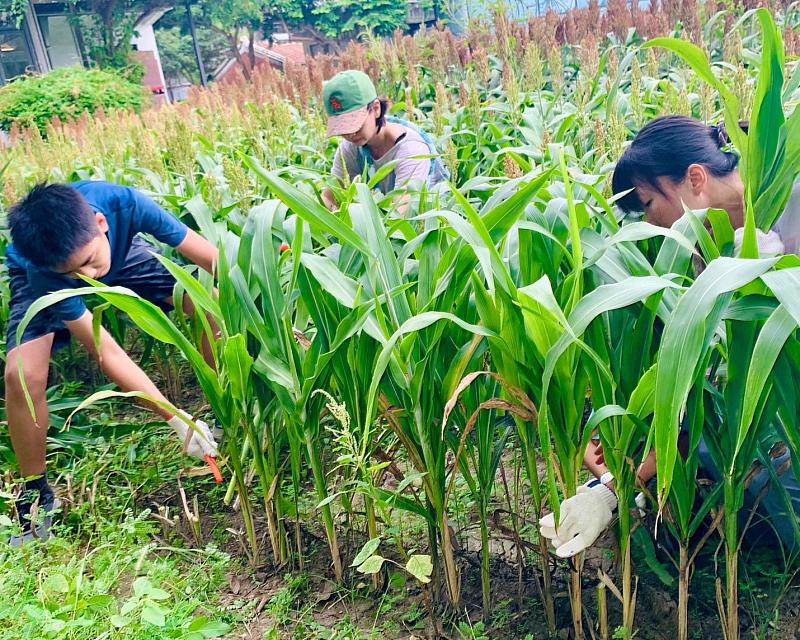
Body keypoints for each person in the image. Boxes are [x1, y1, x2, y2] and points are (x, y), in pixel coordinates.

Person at [539, 115, 800, 557]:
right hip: (752, 408)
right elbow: (701, 370)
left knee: (774, 506)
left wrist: (640, 469)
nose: (650, 222)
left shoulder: (790, 209)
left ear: (694, 179)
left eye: (647, 204)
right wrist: (622, 468)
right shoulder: (707, 242)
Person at [3, 181, 221, 545]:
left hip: (121, 256)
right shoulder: (50, 270)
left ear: (101, 222)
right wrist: (174, 417)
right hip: (44, 284)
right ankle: (36, 496)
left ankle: (222, 413)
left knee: (208, 302)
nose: (89, 279)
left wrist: (259, 302)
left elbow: (209, 257)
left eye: (88, 262)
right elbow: (106, 349)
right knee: (21, 375)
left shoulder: (123, 203)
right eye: (78, 272)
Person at [320, 70, 449, 214]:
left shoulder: (412, 150)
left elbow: (401, 216)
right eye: (343, 128)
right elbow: (329, 197)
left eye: (355, 125)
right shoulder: (350, 147)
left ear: (376, 109)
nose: (350, 134)